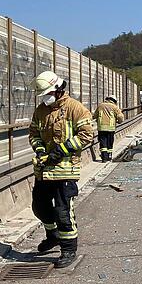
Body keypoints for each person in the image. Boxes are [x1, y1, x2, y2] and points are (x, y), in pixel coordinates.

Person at [29, 71, 93, 268]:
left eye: (47, 93)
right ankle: (53, 235)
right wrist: (40, 150)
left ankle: (68, 249)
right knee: (40, 206)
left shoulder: (75, 108)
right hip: (44, 170)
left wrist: (61, 150)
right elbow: (33, 133)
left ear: (58, 90)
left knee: (62, 211)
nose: (45, 98)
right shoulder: (41, 110)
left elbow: (86, 135)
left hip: (65, 170)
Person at [94, 95, 124, 161]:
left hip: (101, 128)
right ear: (114, 101)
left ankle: (104, 158)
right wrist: (119, 122)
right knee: (110, 142)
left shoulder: (100, 106)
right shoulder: (114, 107)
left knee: (103, 142)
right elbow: (120, 117)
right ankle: (109, 156)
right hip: (111, 128)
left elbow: (94, 115)